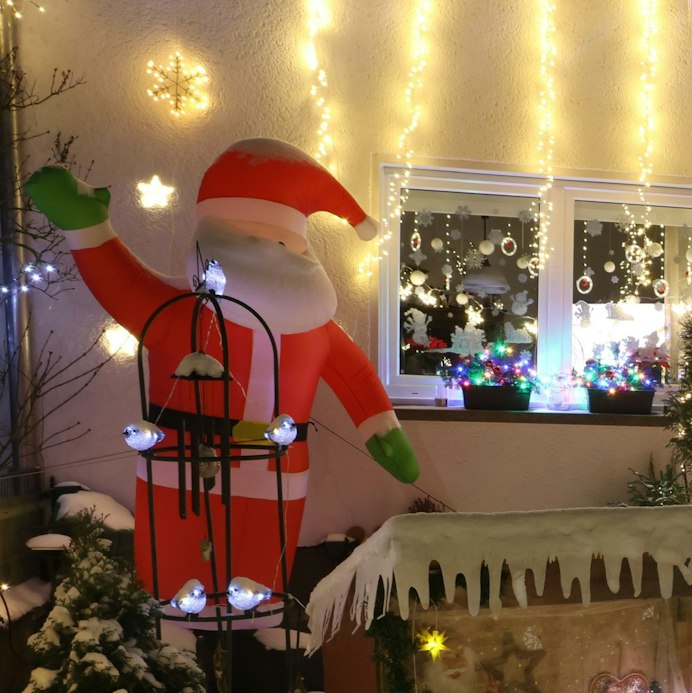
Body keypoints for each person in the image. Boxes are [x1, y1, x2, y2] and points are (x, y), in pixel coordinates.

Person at [24, 139, 420, 614]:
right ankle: (176, 629)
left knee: (260, 569)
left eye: (280, 240)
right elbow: (122, 284)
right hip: (180, 461)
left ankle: (259, 625)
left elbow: (355, 377)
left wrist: (383, 428)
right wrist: (86, 224)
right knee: (175, 571)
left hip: (277, 471)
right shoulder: (178, 311)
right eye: (245, 233)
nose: (266, 251)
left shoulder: (316, 328)